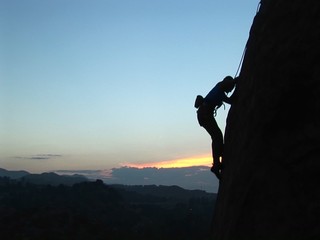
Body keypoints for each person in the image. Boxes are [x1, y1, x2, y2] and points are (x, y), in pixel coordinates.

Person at [194, 76, 236, 180]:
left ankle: (217, 162)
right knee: (217, 136)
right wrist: (236, 81)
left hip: (204, 114)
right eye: (230, 88)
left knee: (217, 136)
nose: (230, 90)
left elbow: (230, 100)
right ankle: (216, 164)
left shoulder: (220, 91)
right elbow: (230, 99)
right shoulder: (220, 87)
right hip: (205, 114)